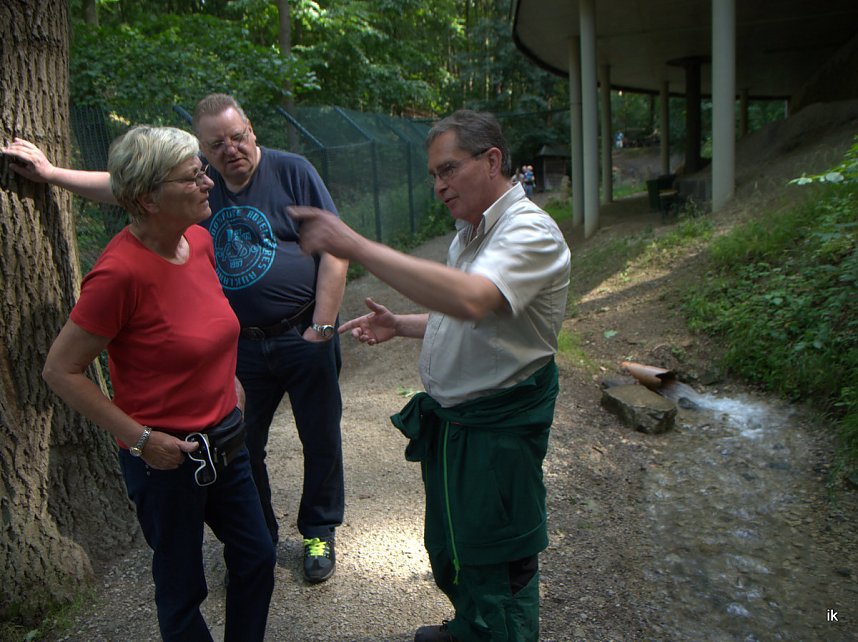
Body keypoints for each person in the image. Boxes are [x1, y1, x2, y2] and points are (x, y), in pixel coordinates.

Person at [2, 94, 348, 583]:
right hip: (239, 346)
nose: (230, 151)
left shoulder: (292, 171)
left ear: (252, 131)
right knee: (244, 446)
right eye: (216, 145)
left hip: (303, 332)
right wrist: (53, 174)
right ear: (202, 154)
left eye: (238, 137)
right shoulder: (199, 189)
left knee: (321, 437)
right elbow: (124, 187)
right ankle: (258, 537)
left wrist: (322, 325)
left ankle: (318, 529)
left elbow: (334, 250)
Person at [290, 110, 571, 642]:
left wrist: (356, 246)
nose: (439, 187)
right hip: (462, 431)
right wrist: (402, 325)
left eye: (448, 171)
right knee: (456, 547)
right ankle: (471, 628)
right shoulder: (470, 234)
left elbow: (471, 300)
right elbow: (472, 318)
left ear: (492, 161)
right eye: (433, 176)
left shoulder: (529, 231)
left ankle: (498, 633)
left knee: (499, 559)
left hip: (497, 436)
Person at [40, 125, 275, 641]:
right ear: (148, 198)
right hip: (166, 459)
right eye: (193, 176)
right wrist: (143, 441)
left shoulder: (199, 240)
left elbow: (208, 326)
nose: (208, 182)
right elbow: (61, 370)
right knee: (182, 585)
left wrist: (229, 375)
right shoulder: (118, 275)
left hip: (226, 442)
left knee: (257, 557)